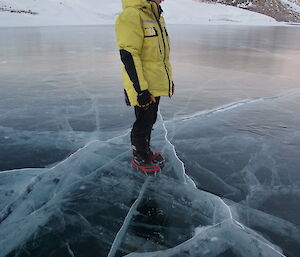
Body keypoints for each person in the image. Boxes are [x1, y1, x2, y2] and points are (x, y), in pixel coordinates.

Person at [115, 0, 174, 173]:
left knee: (150, 119)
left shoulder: (155, 16)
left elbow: (161, 56)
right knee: (143, 121)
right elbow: (129, 54)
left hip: (154, 82)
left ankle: (146, 152)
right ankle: (139, 156)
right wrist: (141, 90)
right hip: (141, 85)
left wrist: (168, 82)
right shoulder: (132, 15)